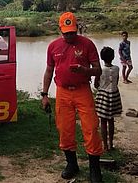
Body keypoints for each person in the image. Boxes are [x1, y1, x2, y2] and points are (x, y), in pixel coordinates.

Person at [41, 12, 104, 182]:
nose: (69, 35)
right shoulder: (53, 46)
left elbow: (98, 69)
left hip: (83, 90)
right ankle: (71, 164)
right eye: (66, 32)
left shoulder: (87, 44)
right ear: (60, 30)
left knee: (90, 128)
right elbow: (49, 71)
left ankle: (94, 169)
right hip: (62, 92)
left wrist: (85, 71)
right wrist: (45, 95)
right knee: (64, 129)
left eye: (72, 32)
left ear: (77, 29)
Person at [94, 46, 122, 151]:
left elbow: (96, 84)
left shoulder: (100, 70)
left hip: (103, 96)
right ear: (113, 57)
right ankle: (111, 143)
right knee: (111, 120)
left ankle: (105, 145)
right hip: (114, 95)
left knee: (103, 121)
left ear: (101, 58)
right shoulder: (117, 68)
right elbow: (117, 81)